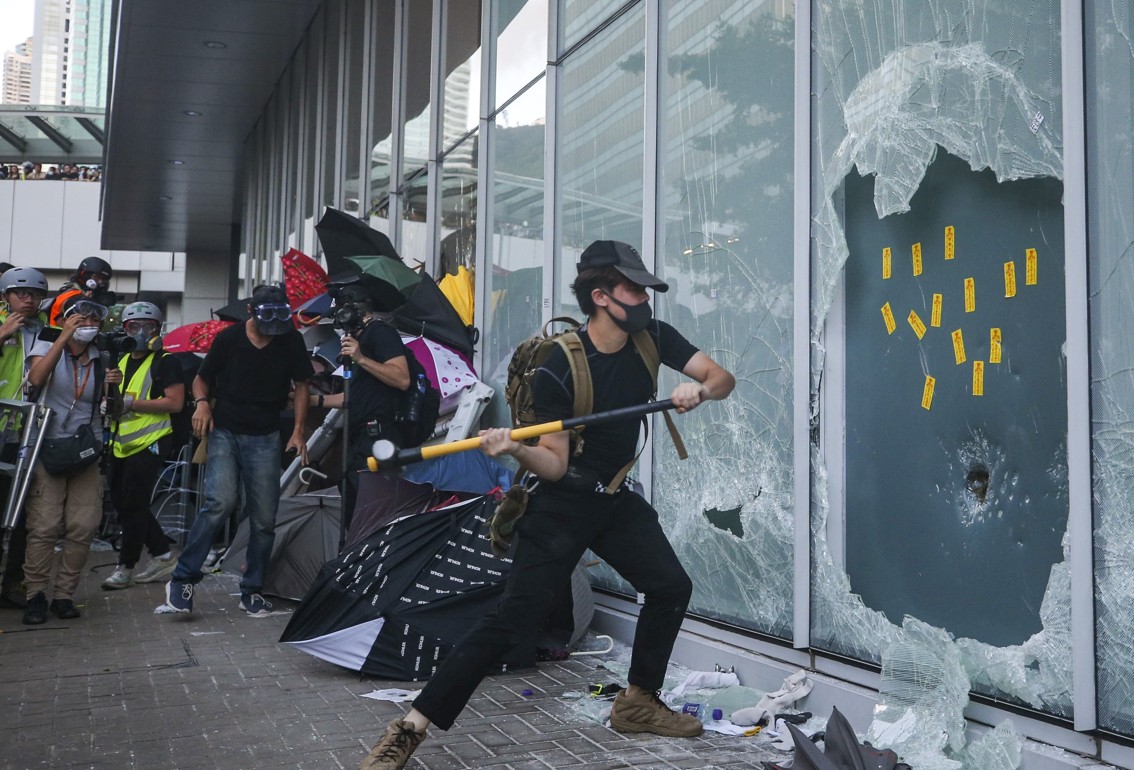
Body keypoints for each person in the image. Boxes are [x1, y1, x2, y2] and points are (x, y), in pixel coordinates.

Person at [358, 240, 736, 769]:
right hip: (559, 505)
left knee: (670, 587)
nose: (644, 296)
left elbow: (722, 378)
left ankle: (638, 702)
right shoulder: (559, 362)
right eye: (633, 287)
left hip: (612, 498)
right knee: (510, 626)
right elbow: (555, 463)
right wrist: (515, 447)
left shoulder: (652, 337)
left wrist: (699, 391)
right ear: (602, 296)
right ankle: (408, 729)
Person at [160, 284, 311, 617]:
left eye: (280, 317)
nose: (273, 325)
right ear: (250, 312)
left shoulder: (291, 339)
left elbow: (302, 384)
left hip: (266, 434)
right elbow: (202, 379)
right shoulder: (229, 339)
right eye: (265, 317)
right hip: (225, 430)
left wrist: (299, 430)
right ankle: (182, 580)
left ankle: (252, 590)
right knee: (220, 503)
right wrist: (201, 404)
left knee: (264, 517)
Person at [21, 300, 109, 625]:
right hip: (46, 447)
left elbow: (109, 409)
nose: (87, 321)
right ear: (65, 318)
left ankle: (63, 594)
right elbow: (35, 378)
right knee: (43, 526)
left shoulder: (103, 357)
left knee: (82, 526)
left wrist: (113, 390)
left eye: (93, 318)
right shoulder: (45, 342)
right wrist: (62, 338)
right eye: (80, 316)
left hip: (86, 451)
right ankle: (35, 595)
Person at [99, 302, 184, 590]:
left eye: (149, 326)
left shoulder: (166, 361)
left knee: (134, 504)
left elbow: (175, 403)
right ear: (124, 329)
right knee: (123, 504)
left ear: (158, 330)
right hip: (122, 442)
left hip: (151, 441)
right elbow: (114, 404)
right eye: (133, 326)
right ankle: (162, 554)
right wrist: (108, 392)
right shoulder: (120, 360)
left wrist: (131, 404)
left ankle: (125, 567)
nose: (141, 331)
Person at [317, 284, 410, 531]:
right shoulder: (358, 341)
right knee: (353, 504)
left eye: (340, 314)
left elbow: (402, 379)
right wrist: (315, 400)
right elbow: (355, 398)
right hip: (359, 438)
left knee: (373, 511)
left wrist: (361, 359)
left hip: (379, 437)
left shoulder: (380, 333)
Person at [0, 267, 49, 608]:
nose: (28, 299)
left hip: (24, 429)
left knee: (16, 513)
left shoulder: (46, 328)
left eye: (34, 293)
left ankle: (12, 581)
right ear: (5, 296)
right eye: (21, 293)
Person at [48, 256, 116, 325]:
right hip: (61, 334)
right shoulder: (71, 295)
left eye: (103, 279)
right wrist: (84, 302)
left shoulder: (81, 294)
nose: (100, 282)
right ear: (84, 274)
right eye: (97, 277)